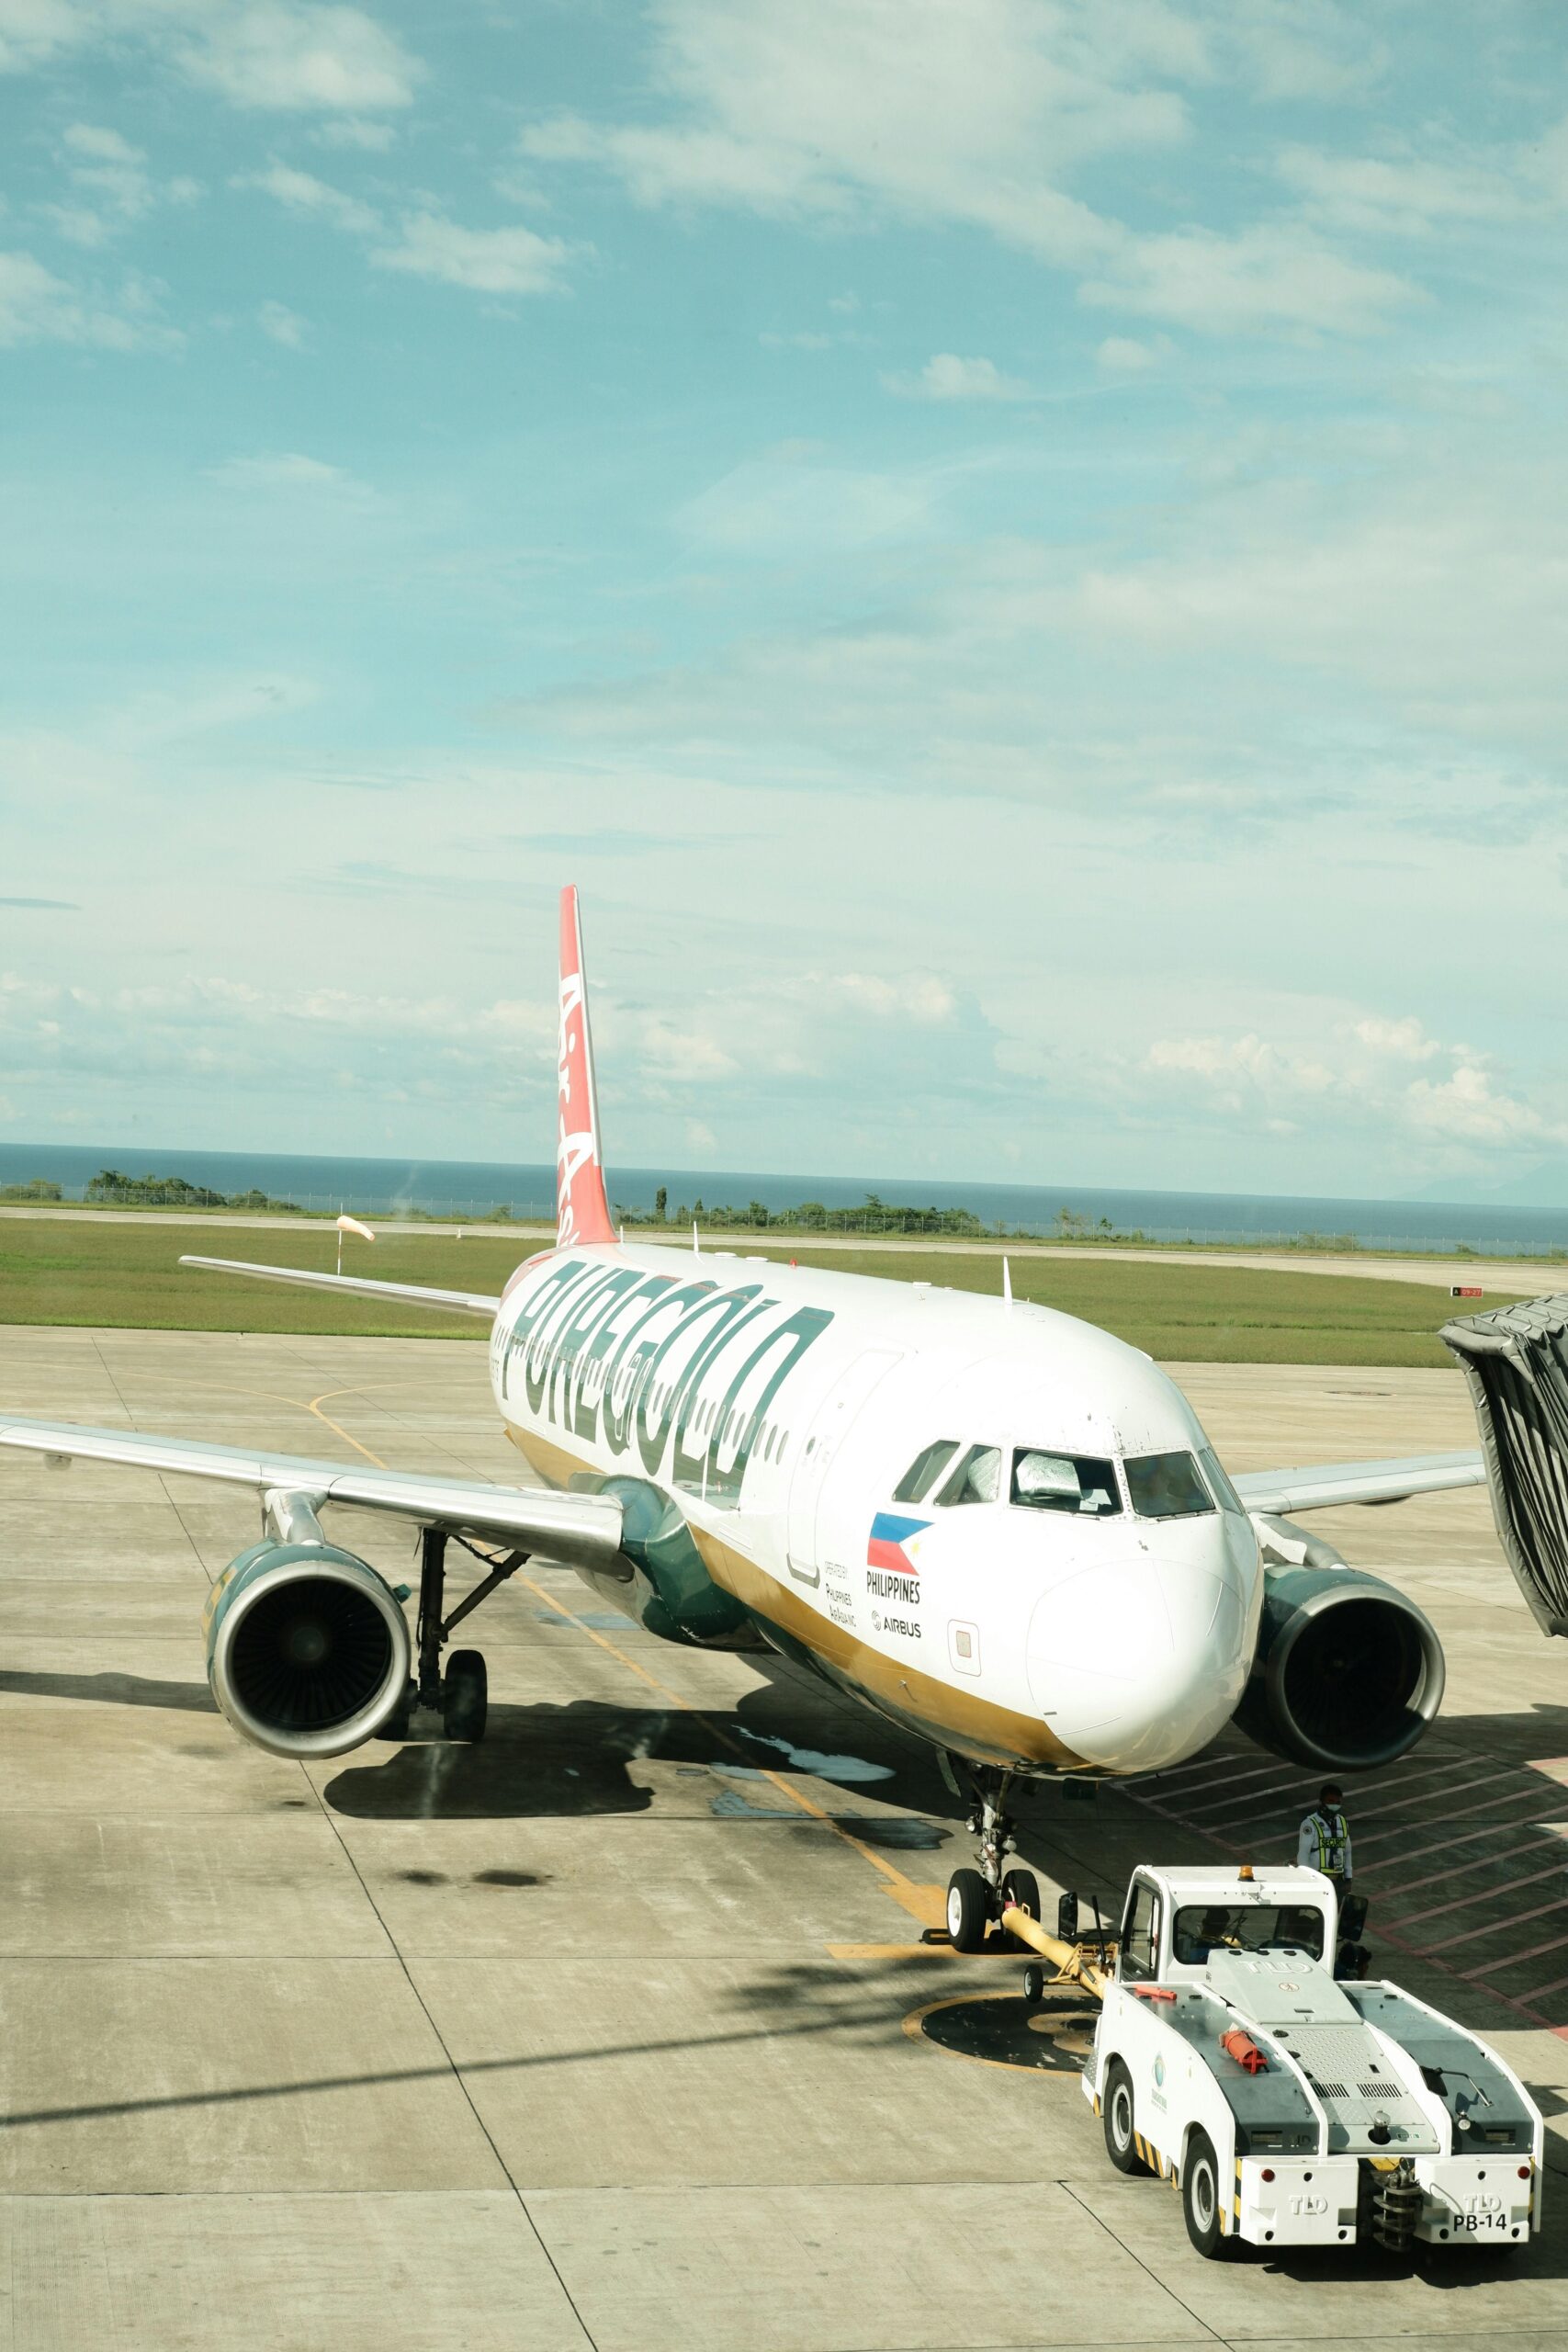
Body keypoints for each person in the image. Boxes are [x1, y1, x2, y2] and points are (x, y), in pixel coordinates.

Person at [1297, 1781, 1352, 1902]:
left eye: (1338, 1802)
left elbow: (1347, 1851)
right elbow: (1303, 1854)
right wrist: (1306, 1879)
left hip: (1338, 1881)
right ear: (1322, 1802)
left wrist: (1348, 1878)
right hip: (1318, 1879)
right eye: (1331, 1801)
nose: (1335, 1805)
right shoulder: (1310, 1823)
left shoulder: (1343, 1822)